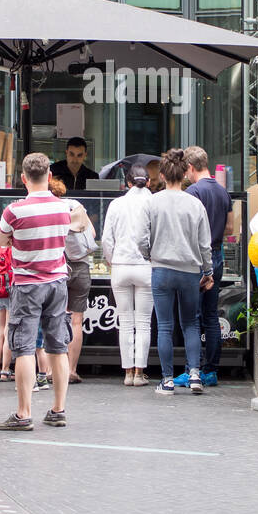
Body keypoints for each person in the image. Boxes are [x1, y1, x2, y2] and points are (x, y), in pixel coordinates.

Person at [0, 152, 74, 430]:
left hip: (27, 285)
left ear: (23, 178)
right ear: (50, 176)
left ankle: (23, 413)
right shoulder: (65, 208)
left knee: (25, 348)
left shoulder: (14, 211)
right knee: (58, 347)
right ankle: (58, 409)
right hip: (57, 283)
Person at [138, 149, 213, 396]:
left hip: (161, 269)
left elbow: (141, 238)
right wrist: (208, 270)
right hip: (190, 271)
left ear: (162, 174)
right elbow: (204, 243)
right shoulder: (195, 204)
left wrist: (150, 254)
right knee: (191, 323)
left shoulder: (152, 201)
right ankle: (194, 375)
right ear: (184, 174)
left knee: (165, 325)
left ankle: (167, 379)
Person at [179, 146, 231, 388]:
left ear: (190, 167)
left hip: (197, 258)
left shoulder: (193, 192)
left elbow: (188, 229)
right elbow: (230, 229)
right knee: (211, 315)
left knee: (192, 317)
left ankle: (193, 369)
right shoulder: (223, 192)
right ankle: (211, 370)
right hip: (218, 254)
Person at [101, 162, 154, 385]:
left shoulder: (116, 204)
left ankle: (127, 373)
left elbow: (106, 240)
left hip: (121, 266)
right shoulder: (154, 203)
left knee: (125, 321)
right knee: (143, 322)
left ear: (127, 183)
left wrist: (113, 261)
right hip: (146, 267)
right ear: (149, 182)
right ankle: (139, 373)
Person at [49, 175, 96, 384]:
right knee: (76, 321)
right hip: (81, 266)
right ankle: (72, 369)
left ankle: (52, 370)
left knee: (54, 318)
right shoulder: (76, 205)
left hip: (58, 267)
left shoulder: (48, 208)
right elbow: (92, 233)